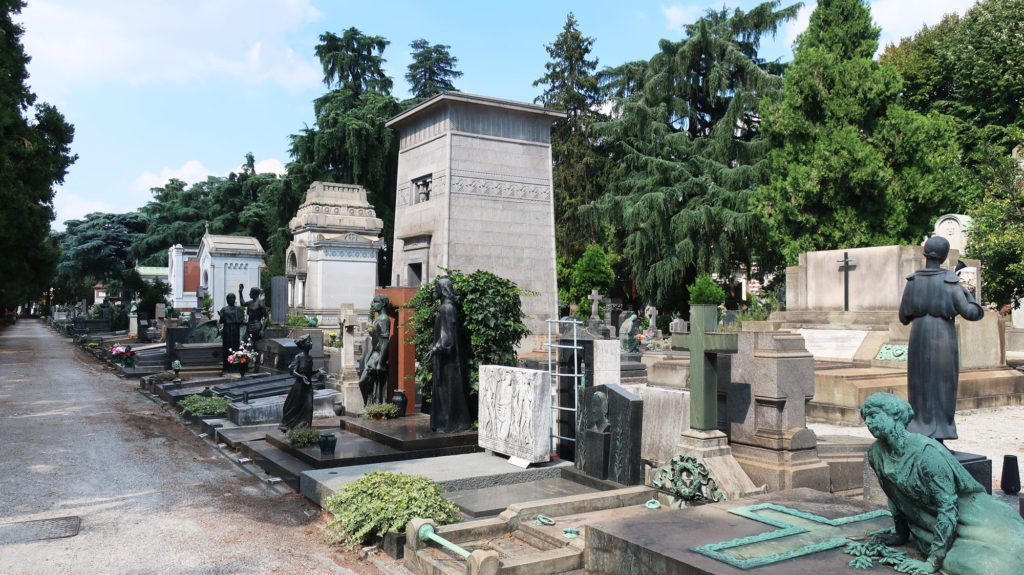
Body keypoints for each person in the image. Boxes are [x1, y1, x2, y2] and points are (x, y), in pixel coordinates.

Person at [861, 393, 1024, 575]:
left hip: (976, 516)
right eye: (865, 417)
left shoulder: (928, 454)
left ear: (894, 415)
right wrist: (901, 535)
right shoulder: (876, 454)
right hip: (933, 523)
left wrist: (932, 562)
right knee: (965, 564)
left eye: (873, 415)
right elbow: (895, 497)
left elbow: (948, 508)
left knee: (1002, 563)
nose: (868, 422)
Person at [898, 236, 984, 441]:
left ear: (924, 253)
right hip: (942, 337)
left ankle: (919, 425)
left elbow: (903, 316)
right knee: (943, 382)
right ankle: (942, 429)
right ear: (945, 256)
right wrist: (968, 294)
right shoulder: (950, 281)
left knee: (919, 382)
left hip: (918, 336)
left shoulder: (913, 281)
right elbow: (972, 314)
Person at [429, 278, 472, 433]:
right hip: (445, 359)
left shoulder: (447, 309)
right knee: (446, 391)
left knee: (447, 391)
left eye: (436, 287)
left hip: (447, 360)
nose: (435, 290)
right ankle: (449, 422)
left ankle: (451, 423)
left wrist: (436, 348)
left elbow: (448, 339)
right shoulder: (447, 308)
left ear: (443, 289)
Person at [280, 334, 324, 431]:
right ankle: (291, 426)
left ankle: (304, 430)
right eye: (309, 342)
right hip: (299, 387)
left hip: (308, 386)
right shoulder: (298, 357)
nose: (311, 343)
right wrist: (301, 377)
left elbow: (309, 373)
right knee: (295, 407)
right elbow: (293, 372)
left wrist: (318, 371)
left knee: (309, 407)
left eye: (311, 341)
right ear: (303, 345)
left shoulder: (310, 358)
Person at [358, 294, 390, 406]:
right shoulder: (377, 319)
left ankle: (369, 405)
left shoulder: (385, 320)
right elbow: (375, 341)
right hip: (373, 353)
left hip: (378, 355)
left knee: (363, 382)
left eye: (376, 302)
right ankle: (368, 405)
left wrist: (380, 362)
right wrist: (367, 357)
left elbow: (385, 341)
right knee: (367, 382)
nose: (374, 304)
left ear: (383, 304)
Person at [217, 293, 243, 375]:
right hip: (227, 330)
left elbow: (241, 320)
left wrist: (238, 321)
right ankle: (226, 368)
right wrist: (221, 316)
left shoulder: (237, 309)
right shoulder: (224, 309)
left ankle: (235, 367)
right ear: (227, 300)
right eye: (229, 298)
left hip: (235, 330)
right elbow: (221, 321)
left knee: (235, 347)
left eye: (232, 298)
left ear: (234, 299)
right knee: (227, 348)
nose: (231, 300)